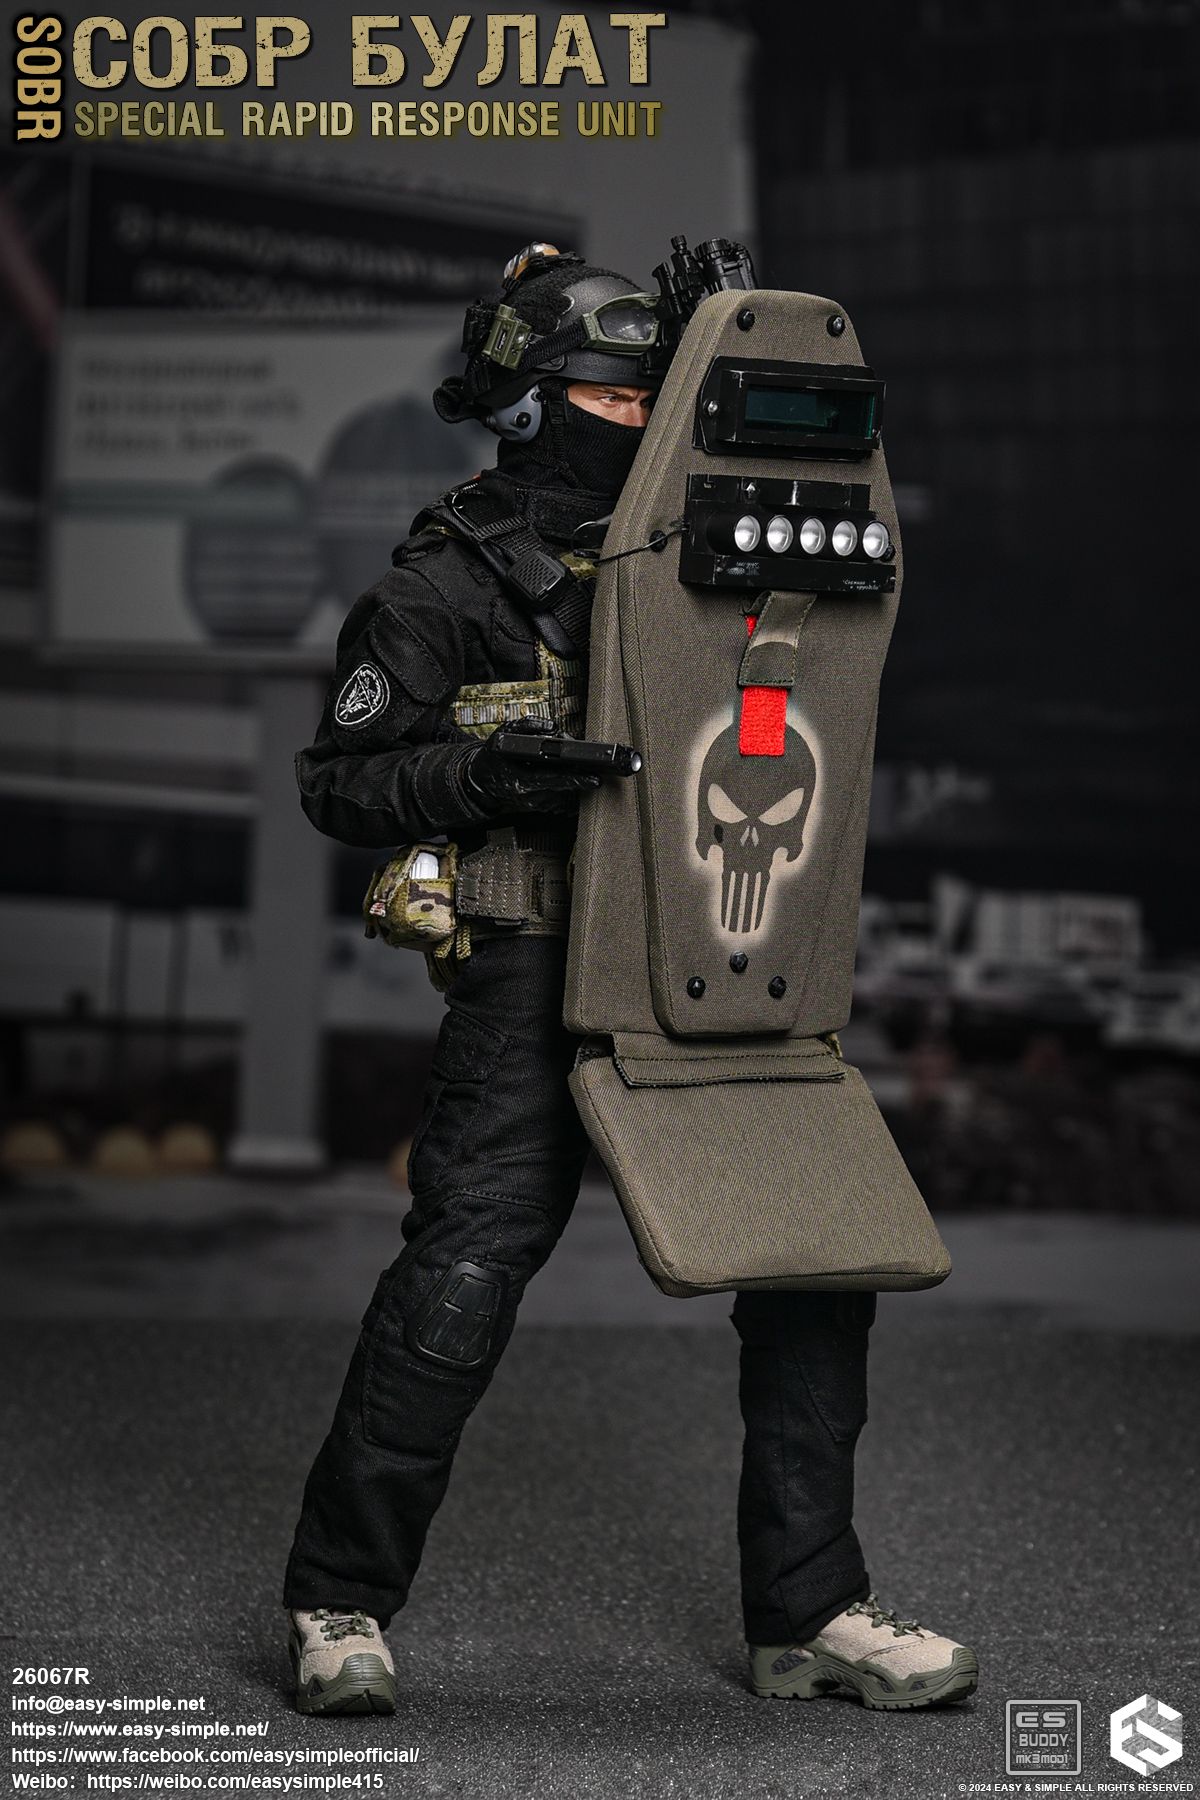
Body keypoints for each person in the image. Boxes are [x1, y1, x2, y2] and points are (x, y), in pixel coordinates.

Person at [282, 244, 978, 1717]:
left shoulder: (723, 557)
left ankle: (812, 1612)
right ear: (530, 407)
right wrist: (482, 771)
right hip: (536, 966)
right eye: (617, 396)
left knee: (817, 1265)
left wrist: (737, 338)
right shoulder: (449, 583)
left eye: (662, 396)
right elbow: (338, 782)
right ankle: (338, 1599)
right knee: (463, 1275)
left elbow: (826, 520)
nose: (645, 418)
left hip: (731, 960)